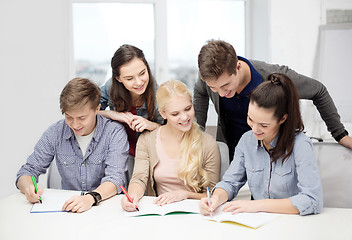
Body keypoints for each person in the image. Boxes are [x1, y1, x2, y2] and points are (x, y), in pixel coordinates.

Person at [194, 39, 352, 161]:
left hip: (274, 159)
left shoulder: (274, 76)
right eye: (214, 88)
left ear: (237, 67)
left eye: (226, 85)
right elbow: (200, 91)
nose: (221, 93)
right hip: (235, 158)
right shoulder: (210, 79)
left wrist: (340, 134)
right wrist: (198, 132)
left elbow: (319, 91)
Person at [200, 73, 323, 216]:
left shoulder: (301, 145)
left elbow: (312, 200)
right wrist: (215, 199)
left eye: (264, 125)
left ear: (283, 118)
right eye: (250, 119)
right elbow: (230, 183)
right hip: (259, 224)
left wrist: (257, 205)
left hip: (291, 223)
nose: (255, 129)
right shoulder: (247, 141)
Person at [16, 78, 129, 213]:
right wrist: (28, 186)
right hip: (70, 210)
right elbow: (27, 171)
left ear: (97, 109)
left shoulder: (114, 132)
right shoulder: (55, 132)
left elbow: (116, 178)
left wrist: (90, 198)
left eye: (82, 118)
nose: (75, 125)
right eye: (69, 117)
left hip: (105, 207)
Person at [121, 80, 220, 211]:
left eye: (188, 109)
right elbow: (139, 178)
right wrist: (132, 196)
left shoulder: (207, 143)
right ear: (162, 113)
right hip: (161, 213)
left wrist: (185, 195)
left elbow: (213, 194)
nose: (184, 117)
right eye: (175, 114)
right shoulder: (147, 140)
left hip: (196, 214)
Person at [100, 44, 164, 178]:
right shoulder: (110, 87)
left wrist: (151, 125)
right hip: (120, 154)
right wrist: (115, 115)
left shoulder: (159, 95)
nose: (139, 82)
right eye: (129, 78)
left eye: (142, 73)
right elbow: (88, 111)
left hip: (150, 156)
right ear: (118, 78)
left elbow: (174, 132)